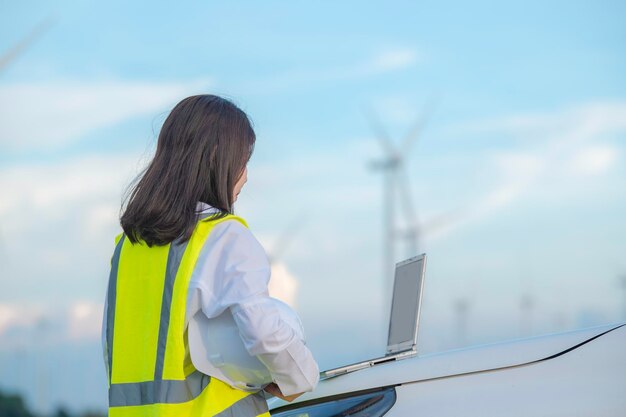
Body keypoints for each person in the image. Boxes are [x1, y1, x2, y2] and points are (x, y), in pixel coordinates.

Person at [101, 94, 320, 417]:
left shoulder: (127, 249)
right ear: (219, 160)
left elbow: (114, 351)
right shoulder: (224, 236)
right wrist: (300, 378)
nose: (245, 176)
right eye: (243, 161)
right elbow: (263, 330)